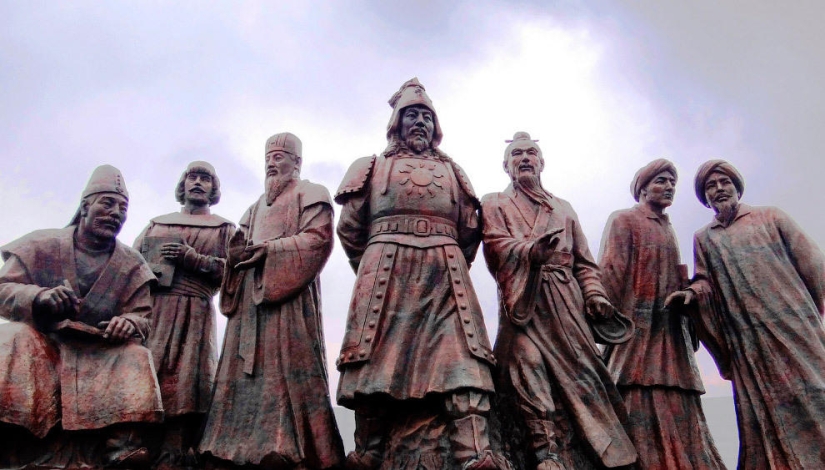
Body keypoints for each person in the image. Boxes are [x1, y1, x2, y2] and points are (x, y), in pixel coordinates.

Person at [335, 78, 505, 469]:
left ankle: (473, 452)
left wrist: (445, 255)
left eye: (427, 117)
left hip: (445, 274)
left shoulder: (454, 172)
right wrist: (374, 261)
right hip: (385, 273)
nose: (419, 123)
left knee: (461, 358)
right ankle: (370, 449)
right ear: (396, 122)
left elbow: (469, 229)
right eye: (411, 115)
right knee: (374, 358)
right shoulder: (372, 167)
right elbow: (349, 229)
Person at [480, 132, 637, 470]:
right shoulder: (494, 202)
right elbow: (494, 246)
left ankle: (606, 454)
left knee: (586, 373)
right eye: (517, 154)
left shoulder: (563, 208)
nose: (525, 158)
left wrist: (594, 294)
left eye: (531, 153)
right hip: (523, 299)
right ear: (505, 166)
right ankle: (545, 452)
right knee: (526, 361)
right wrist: (529, 252)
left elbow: (584, 262)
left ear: (541, 162)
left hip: (567, 303)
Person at [198, 132, 344, 469]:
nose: (272, 163)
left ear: (297, 162)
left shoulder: (312, 194)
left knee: (288, 367)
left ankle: (286, 444)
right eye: (268, 157)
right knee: (240, 372)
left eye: (280, 157)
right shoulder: (252, 208)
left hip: (288, 297)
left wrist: (271, 250)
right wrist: (236, 256)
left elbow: (317, 239)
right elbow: (238, 246)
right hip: (250, 299)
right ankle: (231, 444)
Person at [666, 160, 825, 469]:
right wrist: (692, 294)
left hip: (793, 326)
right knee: (764, 407)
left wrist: (809, 315)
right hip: (748, 340)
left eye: (724, 182)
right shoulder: (705, 238)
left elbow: (814, 267)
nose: (719, 189)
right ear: (706, 198)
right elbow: (704, 282)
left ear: (737, 186)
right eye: (710, 187)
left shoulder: (770, 216)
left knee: (815, 391)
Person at [0, 165, 161, 467]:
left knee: (136, 355)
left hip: (99, 351)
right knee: (15, 337)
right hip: (46, 344)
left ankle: (122, 448)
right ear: (85, 206)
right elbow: (3, 289)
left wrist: (129, 323)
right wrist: (38, 296)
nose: (116, 213)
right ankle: (12, 437)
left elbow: (143, 317)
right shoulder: (41, 244)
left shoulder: (133, 265)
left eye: (123, 208)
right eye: (107, 203)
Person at [598, 159, 725, 469]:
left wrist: (689, 294)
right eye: (662, 181)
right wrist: (599, 317)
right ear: (642, 188)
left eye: (672, 183)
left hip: (671, 339)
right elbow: (609, 275)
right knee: (635, 399)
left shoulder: (668, 229)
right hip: (635, 339)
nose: (669, 187)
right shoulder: (624, 220)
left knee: (680, 408)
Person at [134, 161, 234, 468]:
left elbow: (233, 272)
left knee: (189, 375)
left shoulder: (224, 228)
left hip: (196, 307)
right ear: (183, 183)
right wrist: (146, 272)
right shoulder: (156, 225)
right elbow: (130, 264)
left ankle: (177, 445)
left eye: (206, 178)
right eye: (193, 176)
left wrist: (193, 259)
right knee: (152, 368)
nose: (198, 183)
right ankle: (142, 441)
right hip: (157, 309)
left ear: (214, 188)